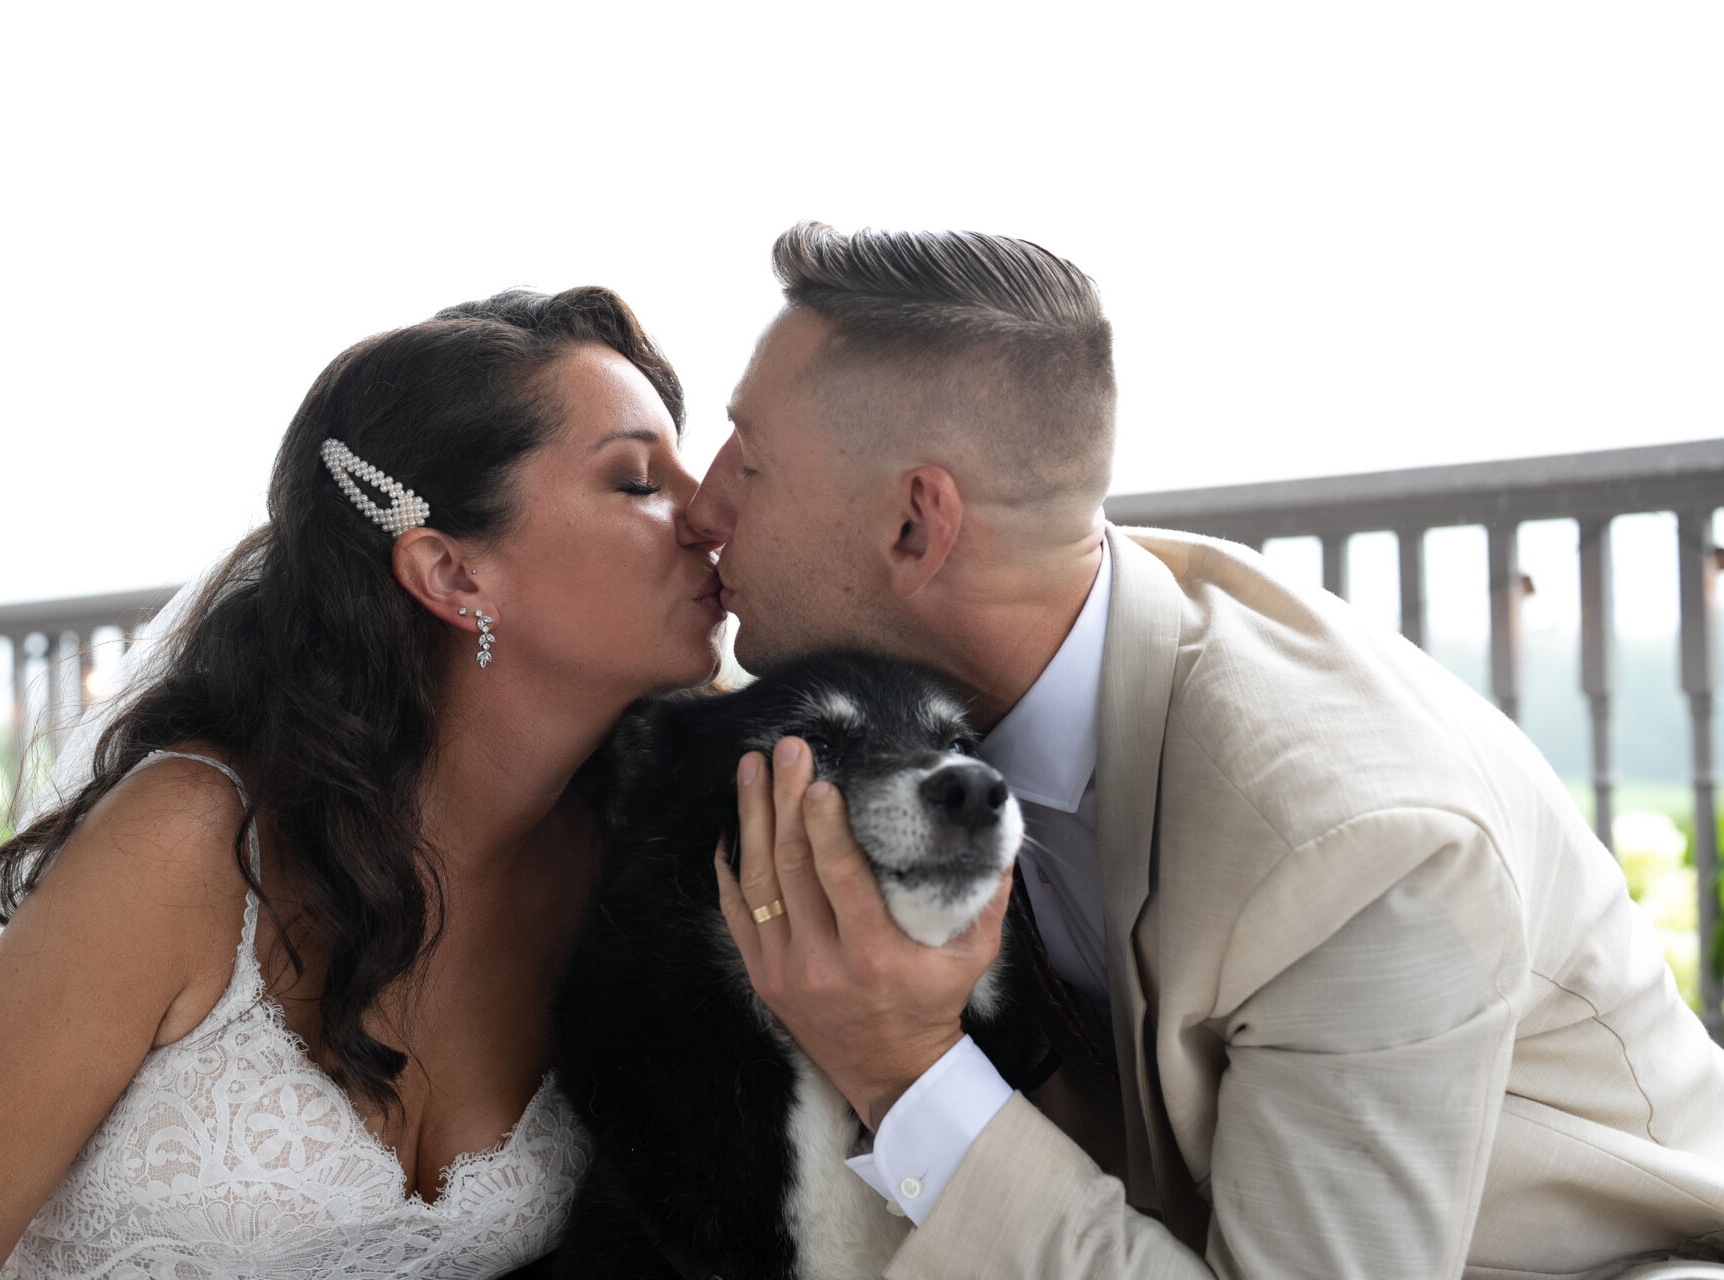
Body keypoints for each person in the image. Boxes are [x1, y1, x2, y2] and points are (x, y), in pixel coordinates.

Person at [690, 221, 1724, 1276]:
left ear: (916, 525)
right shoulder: (971, 694)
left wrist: (906, 1071)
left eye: (751, 462)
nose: (703, 503)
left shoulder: (1356, 841)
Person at [0, 286, 727, 1279]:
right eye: (639, 481)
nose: (710, 512)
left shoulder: (631, 859)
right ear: (451, 574)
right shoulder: (188, 843)